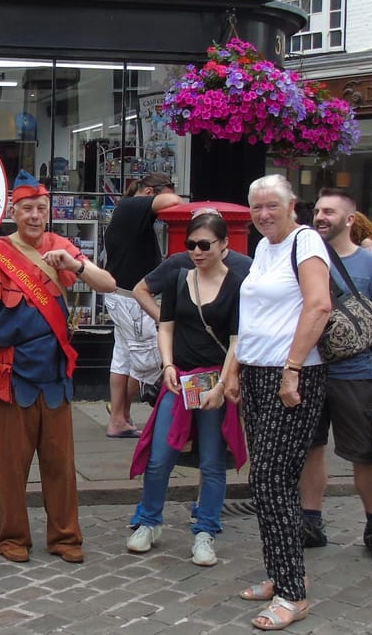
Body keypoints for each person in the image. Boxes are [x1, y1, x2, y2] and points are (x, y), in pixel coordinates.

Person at [0, 170, 115, 564]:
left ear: (49, 211)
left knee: (60, 464)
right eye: (27, 208)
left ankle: (66, 538)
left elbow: (108, 285)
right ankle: (12, 538)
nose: (34, 215)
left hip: (55, 373)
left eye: (41, 209)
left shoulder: (61, 246)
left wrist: (75, 265)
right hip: (12, 373)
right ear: (14, 210)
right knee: (11, 467)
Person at [222, 174, 331, 631]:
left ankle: (293, 592)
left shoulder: (305, 243)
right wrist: (235, 369)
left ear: (292, 206)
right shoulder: (265, 248)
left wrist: (292, 368)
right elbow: (252, 317)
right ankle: (280, 572)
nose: (263, 214)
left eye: (272, 206)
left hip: (294, 376)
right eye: (256, 207)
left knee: (270, 478)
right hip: (259, 374)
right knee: (268, 481)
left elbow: (319, 306)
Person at [126, 212, 241, 567]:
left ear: (224, 245)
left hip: (213, 382)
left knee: (211, 462)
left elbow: (238, 340)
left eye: (205, 244)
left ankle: (205, 529)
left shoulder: (237, 284)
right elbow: (166, 327)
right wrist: (168, 365)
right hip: (180, 380)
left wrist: (223, 385)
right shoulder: (178, 280)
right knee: (160, 456)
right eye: (191, 244)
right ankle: (149, 520)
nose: (197, 251)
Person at [298, 188, 372, 563]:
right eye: (319, 211)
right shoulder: (304, 259)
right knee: (311, 447)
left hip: (355, 372)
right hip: (309, 368)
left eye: (330, 211)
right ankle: (311, 520)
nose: (321, 217)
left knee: (365, 453)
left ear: (350, 219)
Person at [102, 172, 185, 438]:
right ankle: (124, 417)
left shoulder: (128, 211)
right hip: (132, 299)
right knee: (145, 362)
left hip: (121, 296)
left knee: (123, 359)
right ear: (150, 193)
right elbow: (172, 201)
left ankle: (119, 419)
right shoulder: (132, 206)